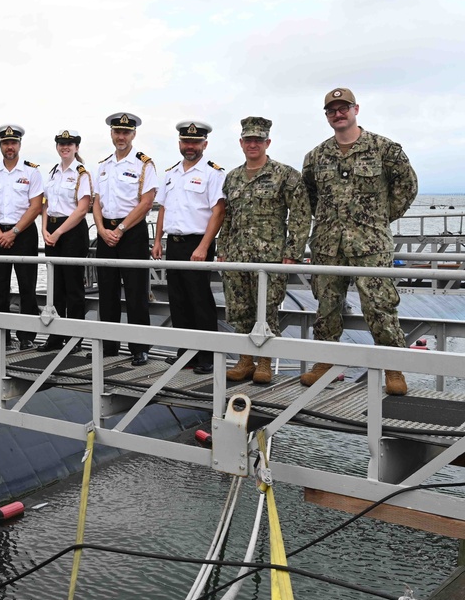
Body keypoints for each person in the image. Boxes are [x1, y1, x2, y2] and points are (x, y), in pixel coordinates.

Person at [301, 88, 418, 396]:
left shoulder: (384, 148)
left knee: (380, 306)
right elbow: (310, 195)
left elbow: (407, 185)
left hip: (371, 245)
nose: (338, 114)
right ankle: (324, 362)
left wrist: (378, 218)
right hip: (327, 244)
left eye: (343, 108)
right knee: (327, 306)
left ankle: (393, 367)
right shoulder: (315, 157)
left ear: (356, 109)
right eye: (332, 110)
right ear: (327, 116)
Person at [220, 117, 311, 384]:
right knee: (239, 310)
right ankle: (245, 360)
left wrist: (293, 251)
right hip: (238, 256)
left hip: (270, 257)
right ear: (241, 143)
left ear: (267, 142)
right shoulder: (233, 177)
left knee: (267, 310)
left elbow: (301, 214)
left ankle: (265, 363)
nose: (252, 144)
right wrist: (222, 249)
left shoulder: (285, 175)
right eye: (248, 140)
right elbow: (227, 217)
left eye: (258, 140)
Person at [152, 121, 226, 374]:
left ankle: (207, 357)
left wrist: (205, 246)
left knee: (200, 301)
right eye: (186, 142)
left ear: (204, 144)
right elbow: (163, 207)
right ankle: (186, 354)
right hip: (174, 243)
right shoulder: (171, 173)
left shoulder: (213, 173)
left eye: (195, 142)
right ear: (180, 143)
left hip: (198, 243)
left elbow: (218, 211)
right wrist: (157, 240)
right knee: (178, 300)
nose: (190, 146)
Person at [92, 112, 158, 363]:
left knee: (135, 291)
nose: (121, 137)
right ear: (111, 134)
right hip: (105, 231)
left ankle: (139, 347)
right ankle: (109, 346)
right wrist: (101, 229)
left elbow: (147, 201)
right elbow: (97, 201)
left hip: (131, 233)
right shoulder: (104, 165)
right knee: (106, 291)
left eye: (126, 133)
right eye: (117, 132)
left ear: (134, 135)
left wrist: (120, 229)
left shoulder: (143, 164)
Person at [0, 125, 44, 350]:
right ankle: (1, 334)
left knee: (27, 286)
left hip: (23, 234)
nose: (9, 147)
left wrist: (13, 232)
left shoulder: (31, 172)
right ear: (0, 145)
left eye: (13, 143)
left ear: (19, 145)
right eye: (6, 143)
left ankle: (27, 336)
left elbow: (35, 207)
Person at [38, 129, 92, 352]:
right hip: (52, 229)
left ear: (76, 147)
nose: (65, 147)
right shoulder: (52, 173)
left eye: (69, 144)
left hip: (71, 233)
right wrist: (44, 228)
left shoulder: (82, 174)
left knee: (73, 288)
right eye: (61, 143)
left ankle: (74, 339)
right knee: (55, 287)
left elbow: (82, 209)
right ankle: (55, 338)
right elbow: (44, 202)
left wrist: (58, 232)